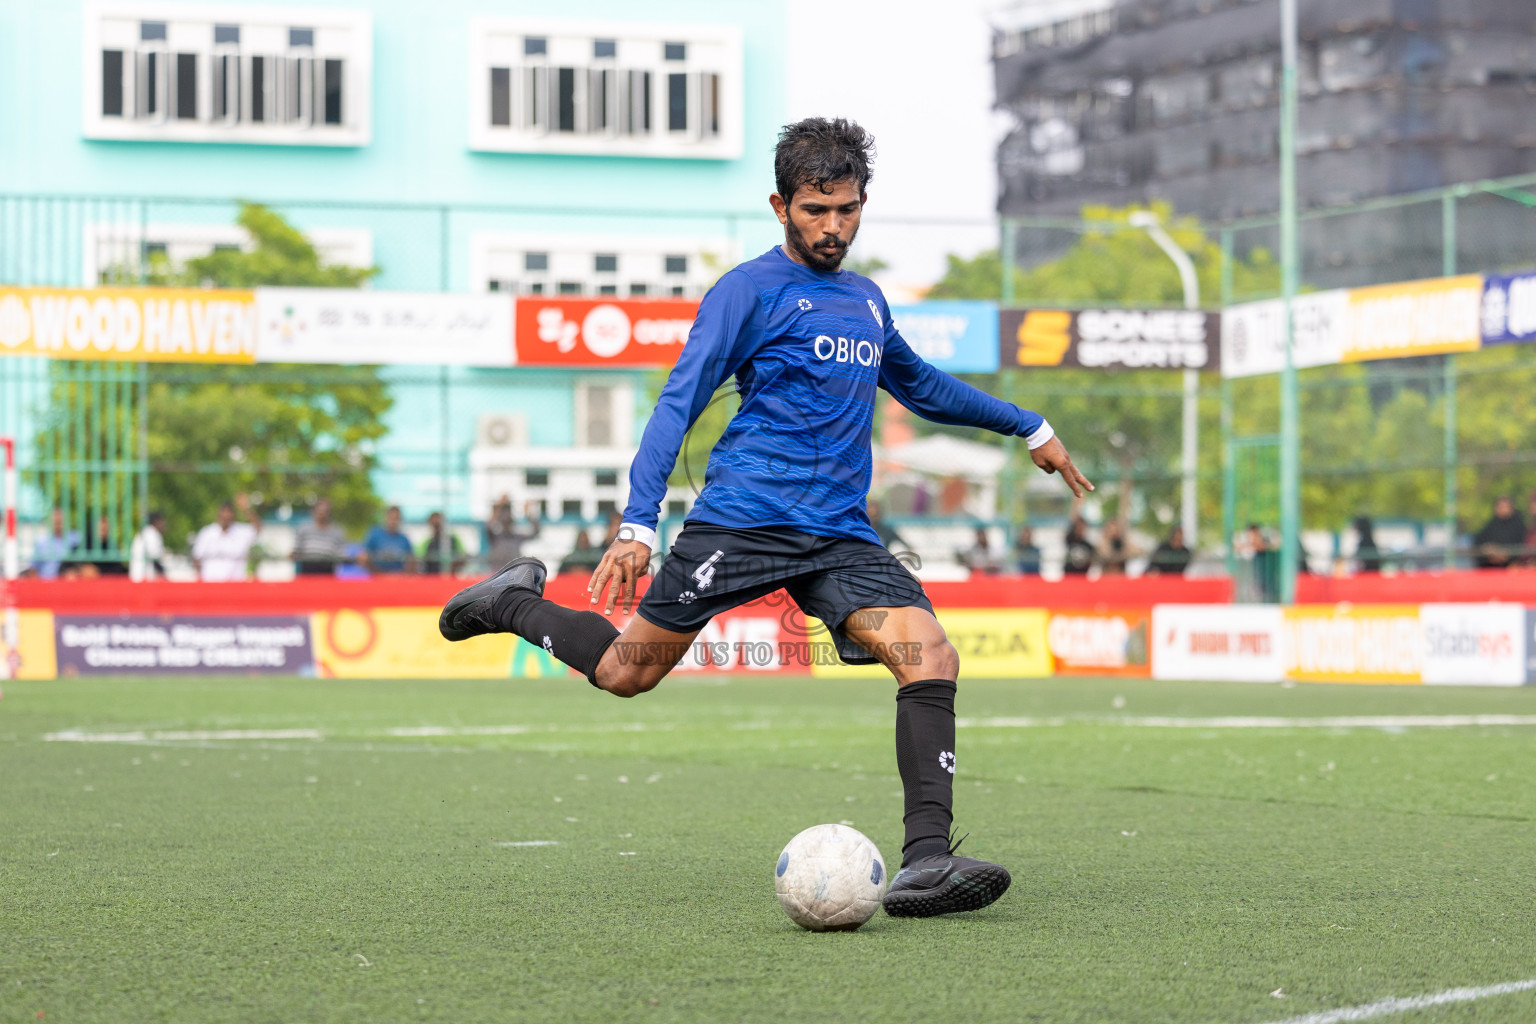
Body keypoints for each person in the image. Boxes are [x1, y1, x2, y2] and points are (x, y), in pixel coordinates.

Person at [438, 118, 1093, 919]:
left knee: (930, 654)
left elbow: (920, 385)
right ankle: (508, 601)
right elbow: (678, 402)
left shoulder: (866, 298)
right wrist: (638, 524)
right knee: (625, 673)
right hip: (744, 521)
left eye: (847, 210)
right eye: (816, 210)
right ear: (780, 205)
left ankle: (926, 863)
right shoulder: (745, 291)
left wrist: (1029, 426)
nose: (833, 226)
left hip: (840, 536)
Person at [192, 495, 261, 582]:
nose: (226, 516)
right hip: (211, 584)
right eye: (224, 512)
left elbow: (257, 528)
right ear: (218, 514)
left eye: (229, 513)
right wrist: (200, 578)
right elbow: (196, 557)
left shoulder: (241, 532)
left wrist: (246, 508)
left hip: (235, 585)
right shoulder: (207, 533)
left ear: (234, 515)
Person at [293, 498, 350, 576]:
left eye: (326, 511)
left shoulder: (337, 531)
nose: (322, 514)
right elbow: (297, 550)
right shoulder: (304, 529)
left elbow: (341, 554)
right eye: (320, 511)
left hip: (327, 571)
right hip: (307, 570)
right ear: (313, 511)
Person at [485, 496, 540, 567]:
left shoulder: (517, 537)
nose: (506, 522)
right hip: (496, 572)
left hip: (513, 572)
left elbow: (535, 532)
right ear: (501, 522)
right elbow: (488, 526)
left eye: (508, 521)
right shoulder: (495, 537)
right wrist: (499, 507)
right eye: (504, 521)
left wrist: (528, 514)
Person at [1473, 496, 1525, 568]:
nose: (1503, 510)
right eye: (1501, 507)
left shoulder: (1519, 526)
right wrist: (1489, 552)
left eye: (1506, 507)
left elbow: (1522, 547)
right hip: (1491, 568)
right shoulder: (1490, 526)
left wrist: (1505, 555)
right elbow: (1478, 544)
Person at [362, 505, 416, 574]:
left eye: (396, 518)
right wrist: (379, 573)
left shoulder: (404, 539)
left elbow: (412, 560)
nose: (393, 521)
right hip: (377, 576)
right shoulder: (374, 535)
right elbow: (363, 557)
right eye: (391, 518)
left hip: (399, 577)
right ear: (386, 518)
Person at [128, 511, 167, 581]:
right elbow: (155, 557)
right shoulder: (151, 533)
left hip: (140, 576)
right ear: (156, 522)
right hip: (142, 577)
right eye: (162, 521)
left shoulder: (147, 532)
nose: (164, 524)